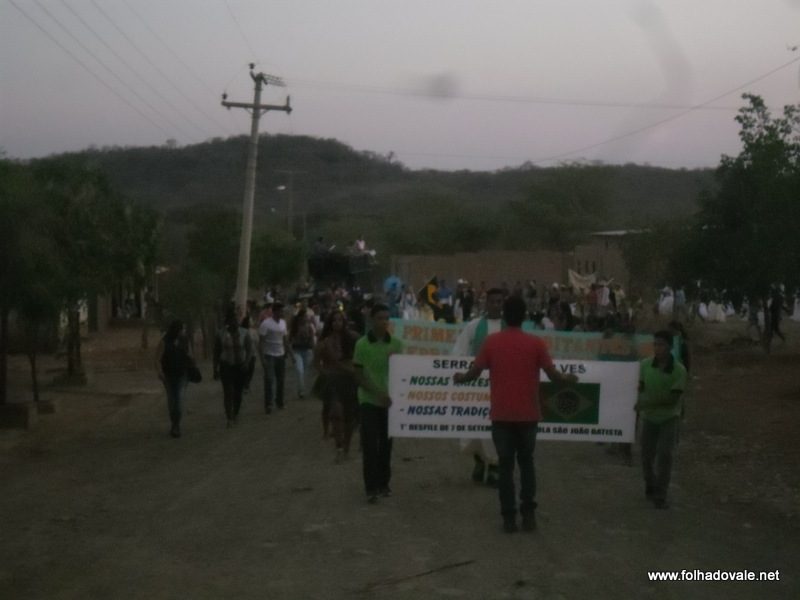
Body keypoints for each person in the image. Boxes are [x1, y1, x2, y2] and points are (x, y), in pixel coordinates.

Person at [453, 296, 578, 533]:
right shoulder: (536, 343)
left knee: (506, 467)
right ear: (524, 317)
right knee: (527, 464)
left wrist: (460, 378)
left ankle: (508, 517)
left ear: (505, 314)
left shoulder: (491, 343)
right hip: (528, 415)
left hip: (501, 415)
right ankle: (528, 514)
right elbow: (554, 376)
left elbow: (474, 373)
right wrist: (567, 378)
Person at [451, 287, 506, 487]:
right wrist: (462, 372)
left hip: (500, 388)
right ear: (486, 303)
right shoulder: (474, 326)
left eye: (499, 301)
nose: (496, 305)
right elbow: (459, 351)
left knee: (496, 427)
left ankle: (495, 467)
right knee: (474, 427)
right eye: (492, 301)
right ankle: (480, 461)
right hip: (475, 386)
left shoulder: (509, 327)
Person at [353, 304, 403, 504]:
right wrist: (377, 393)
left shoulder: (397, 344)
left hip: (390, 403)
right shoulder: (362, 345)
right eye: (380, 318)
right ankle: (371, 487)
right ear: (372, 320)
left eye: (387, 318)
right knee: (370, 445)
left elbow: (402, 374)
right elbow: (358, 375)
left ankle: (384, 483)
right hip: (368, 401)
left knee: (386, 445)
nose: (384, 322)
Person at [636, 330, 688, 509]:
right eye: (655, 344)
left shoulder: (679, 370)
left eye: (662, 345)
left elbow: (672, 399)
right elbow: (640, 386)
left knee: (665, 455)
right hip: (649, 417)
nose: (658, 348)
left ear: (670, 347)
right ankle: (650, 483)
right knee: (646, 456)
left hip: (669, 417)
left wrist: (646, 403)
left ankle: (661, 494)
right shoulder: (645, 365)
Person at [314, 310, 360, 461]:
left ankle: (346, 447)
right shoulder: (325, 342)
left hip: (350, 381)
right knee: (336, 413)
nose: (337, 323)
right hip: (333, 382)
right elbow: (316, 363)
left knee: (349, 417)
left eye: (340, 320)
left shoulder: (352, 338)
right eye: (334, 320)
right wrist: (325, 374)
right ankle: (339, 447)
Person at [213, 308, 254, 428]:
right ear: (228, 321)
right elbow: (216, 352)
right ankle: (229, 417)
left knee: (238, 392)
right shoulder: (221, 334)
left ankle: (235, 412)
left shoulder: (244, 333)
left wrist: (247, 362)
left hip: (240, 366)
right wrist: (215, 369)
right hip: (226, 366)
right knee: (228, 392)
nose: (235, 322)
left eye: (236, 320)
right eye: (232, 320)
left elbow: (250, 350)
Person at [155, 319, 192, 438]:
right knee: (172, 401)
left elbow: (190, 356)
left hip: (182, 375)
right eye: (181, 329)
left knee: (179, 400)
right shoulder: (164, 342)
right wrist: (160, 372)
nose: (183, 332)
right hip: (169, 376)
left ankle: (176, 425)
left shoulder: (184, 341)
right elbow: (157, 359)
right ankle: (174, 424)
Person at [259, 301, 293, 413]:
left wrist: (290, 354)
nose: (282, 313)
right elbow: (261, 342)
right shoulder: (266, 324)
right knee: (269, 380)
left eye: (282, 311)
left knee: (281, 380)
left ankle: (279, 401)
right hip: (269, 355)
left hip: (280, 354)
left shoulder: (283, 323)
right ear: (274, 312)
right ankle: (268, 404)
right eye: (280, 311)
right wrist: (262, 358)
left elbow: (285, 340)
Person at [289, 307, 316, 399]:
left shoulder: (310, 327)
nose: (306, 318)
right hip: (297, 351)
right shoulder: (295, 327)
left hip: (307, 351)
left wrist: (314, 352)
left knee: (305, 372)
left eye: (306, 316)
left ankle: (303, 388)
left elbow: (312, 341)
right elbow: (289, 340)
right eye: (304, 316)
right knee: (299, 370)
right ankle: (301, 390)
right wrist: (291, 354)